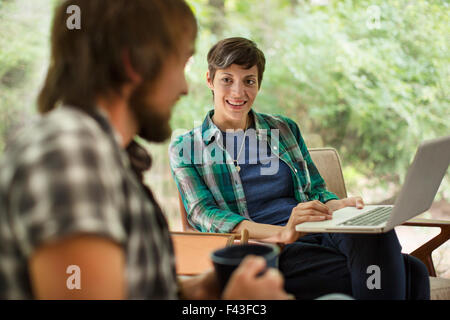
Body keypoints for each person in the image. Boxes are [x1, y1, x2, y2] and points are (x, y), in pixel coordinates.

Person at [0, 1, 292, 300]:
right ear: (135, 64)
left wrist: (201, 290)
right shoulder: (70, 157)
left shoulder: (109, 159)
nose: (184, 87)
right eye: (181, 63)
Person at [169, 37, 430, 300]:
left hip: (317, 231)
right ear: (209, 80)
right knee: (413, 272)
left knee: (378, 236)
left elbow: (314, 189)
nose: (238, 92)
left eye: (249, 80)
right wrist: (284, 232)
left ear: (258, 84)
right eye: (227, 79)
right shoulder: (188, 146)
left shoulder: (283, 129)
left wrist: (336, 205)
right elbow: (204, 215)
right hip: (268, 249)